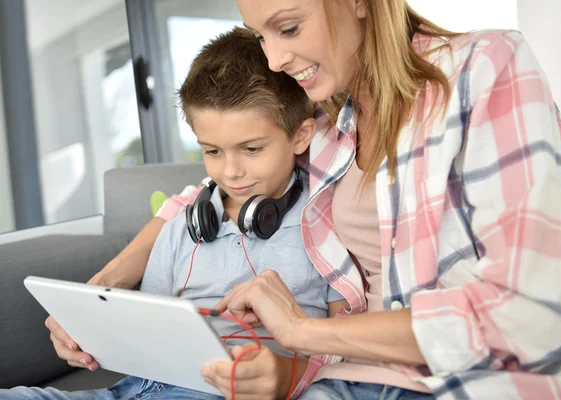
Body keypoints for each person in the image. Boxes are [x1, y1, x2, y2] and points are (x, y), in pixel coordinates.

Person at [48, 1, 561, 399]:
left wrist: (303, 333)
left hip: (476, 383)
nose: (274, 58)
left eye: (287, 27)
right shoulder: (330, 127)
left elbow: (532, 316)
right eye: (259, 35)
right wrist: (100, 293)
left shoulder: (486, 67)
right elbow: (207, 195)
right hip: (344, 380)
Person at [2, 27, 348, 400]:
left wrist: (287, 376)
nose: (230, 171)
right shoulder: (182, 227)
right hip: (134, 388)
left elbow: (344, 349)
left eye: (250, 149)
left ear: (300, 135)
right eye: (212, 151)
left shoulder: (327, 224)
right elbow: (150, 328)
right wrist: (88, 330)